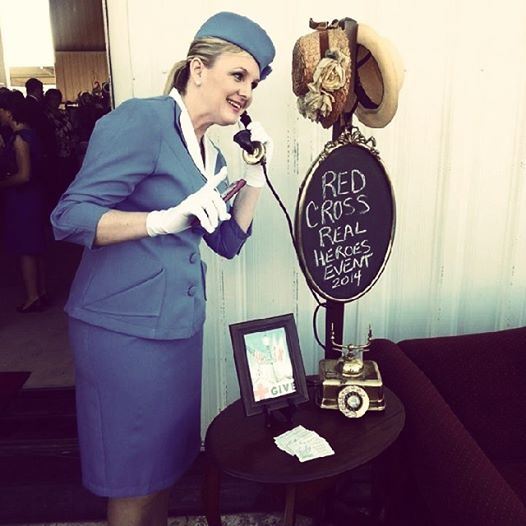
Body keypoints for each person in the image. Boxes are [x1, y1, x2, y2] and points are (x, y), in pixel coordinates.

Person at [50, 11, 275, 526]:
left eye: (254, 83)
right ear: (198, 68)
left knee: (163, 470)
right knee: (131, 477)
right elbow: (68, 217)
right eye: (238, 75)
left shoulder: (213, 158)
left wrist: (255, 177)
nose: (246, 92)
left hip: (178, 329)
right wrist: (159, 221)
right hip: (121, 330)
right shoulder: (142, 122)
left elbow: (227, 241)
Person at [0, 90, 48, 312]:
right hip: (34, 195)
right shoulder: (30, 133)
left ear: (9, 112)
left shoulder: (19, 139)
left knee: (26, 248)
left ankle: (32, 296)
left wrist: (3, 183)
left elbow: (24, 175)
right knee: (36, 246)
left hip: (23, 199)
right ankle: (41, 291)